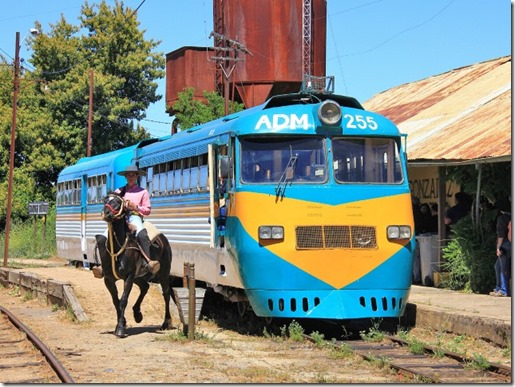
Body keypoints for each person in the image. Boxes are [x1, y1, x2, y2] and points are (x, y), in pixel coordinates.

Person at [92, 165, 159, 279]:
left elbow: (147, 210)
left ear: (137, 176)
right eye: (129, 175)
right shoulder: (118, 191)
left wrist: (136, 207)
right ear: (126, 177)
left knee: (142, 235)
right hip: (118, 219)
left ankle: (147, 263)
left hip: (134, 217)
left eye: (133, 175)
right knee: (102, 238)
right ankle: (103, 265)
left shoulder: (143, 192)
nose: (131, 177)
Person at [490, 198, 511, 297]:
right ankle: (498, 288)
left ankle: (504, 290)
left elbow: (501, 235)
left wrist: (498, 247)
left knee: (503, 268)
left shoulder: (502, 218)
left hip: (506, 245)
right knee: (497, 266)